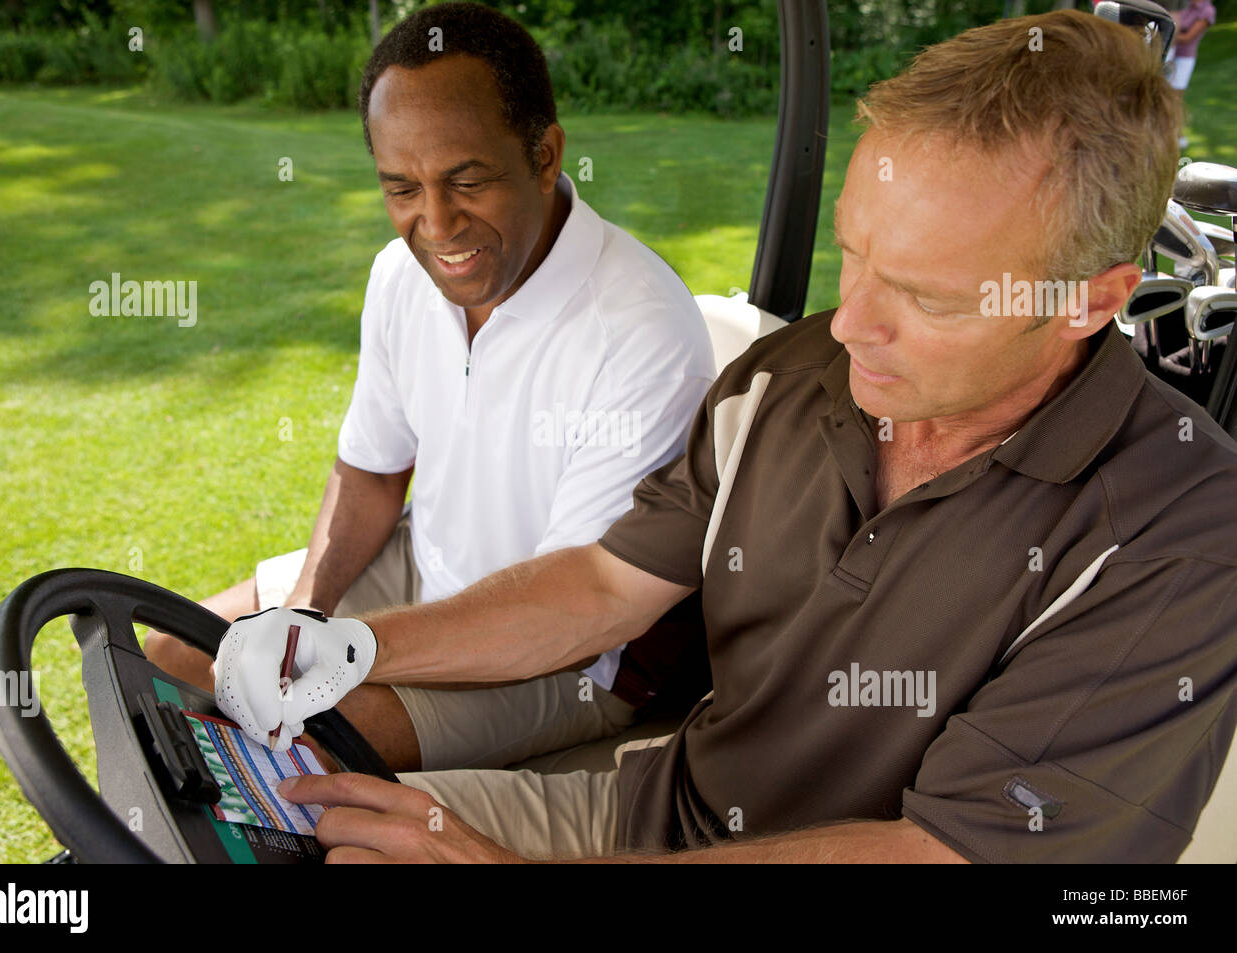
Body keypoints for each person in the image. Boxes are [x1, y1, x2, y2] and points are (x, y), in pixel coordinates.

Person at [219, 10, 1237, 863]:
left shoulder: (1179, 532)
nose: (848, 324)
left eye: (923, 296)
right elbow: (607, 586)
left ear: (1086, 302)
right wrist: (347, 643)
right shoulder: (789, 380)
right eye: (854, 256)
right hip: (652, 813)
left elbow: (936, 854)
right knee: (289, 827)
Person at [146, 2, 716, 775]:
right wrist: (307, 612)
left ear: (545, 156)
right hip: (426, 564)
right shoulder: (398, 275)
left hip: (569, 657)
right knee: (174, 651)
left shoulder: (641, 328)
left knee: (312, 732)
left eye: (466, 179)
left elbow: (577, 602)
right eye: (401, 189)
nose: (436, 224)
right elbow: (373, 470)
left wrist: (345, 653)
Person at [1168, 0, 1217, 147]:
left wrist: (1167, 33)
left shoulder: (1207, 11)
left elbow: (1187, 37)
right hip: (1171, 53)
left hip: (1184, 58)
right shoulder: (1183, 4)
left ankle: (1178, 134)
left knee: (1176, 97)